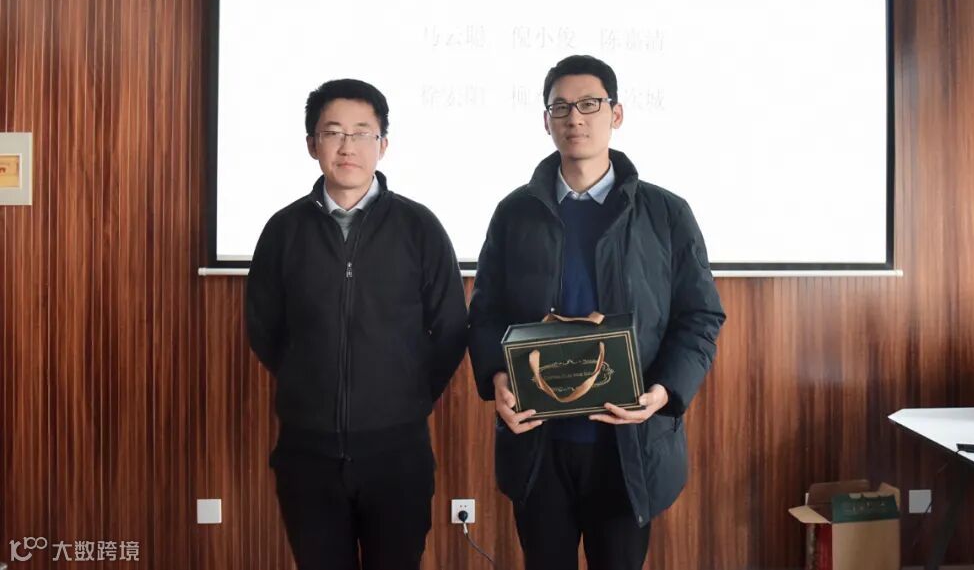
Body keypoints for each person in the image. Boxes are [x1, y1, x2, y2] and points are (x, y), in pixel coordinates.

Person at [468, 55, 726, 570]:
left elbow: (699, 317)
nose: (575, 118)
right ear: (546, 121)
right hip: (538, 443)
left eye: (589, 104)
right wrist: (497, 377)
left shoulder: (665, 213)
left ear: (617, 113)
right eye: (560, 107)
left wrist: (662, 393)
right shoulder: (515, 212)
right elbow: (486, 311)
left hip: (628, 444)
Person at [246, 78, 468, 570]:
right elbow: (264, 327)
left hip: (398, 454)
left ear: (382, 145)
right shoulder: (283, 230)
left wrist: (408, 393)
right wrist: (310, 380)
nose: (347, 146)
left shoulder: (419, 227)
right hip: (308, 453)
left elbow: (451, 327)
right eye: (333, 132)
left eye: (362, 132)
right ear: (312, 144)